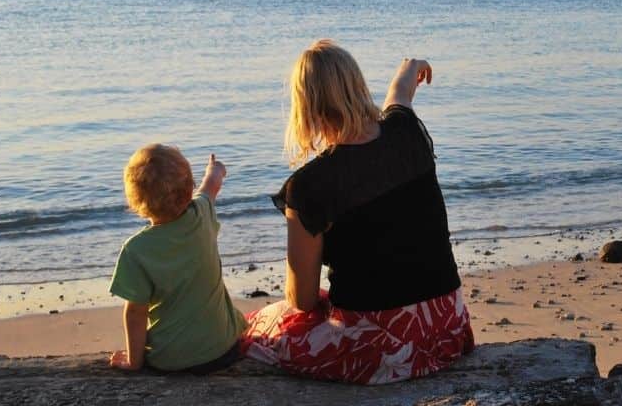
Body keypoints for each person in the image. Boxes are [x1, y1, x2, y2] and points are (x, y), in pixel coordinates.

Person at [241, 40, 474, 384]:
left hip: (380, 351)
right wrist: (411, 66)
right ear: (358, 86)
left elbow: (302, 299)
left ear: (305, 107)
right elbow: (400, 95)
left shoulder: (308, 186)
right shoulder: (407, 131)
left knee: (258, 329)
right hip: (447, 329)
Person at [108, 145, 246, 373]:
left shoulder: (136, 250)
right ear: (189, 188)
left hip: (171, 361)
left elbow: (135, 312)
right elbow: (211, 185)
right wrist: (216, 169)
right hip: (226, 349)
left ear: (135, 201)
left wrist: (134, 361)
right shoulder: (201, 213)